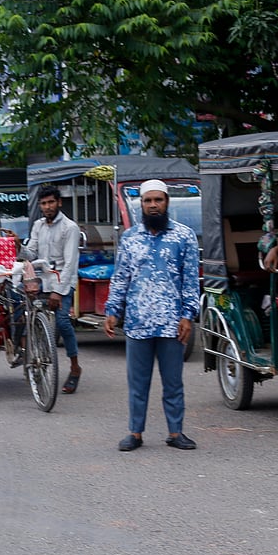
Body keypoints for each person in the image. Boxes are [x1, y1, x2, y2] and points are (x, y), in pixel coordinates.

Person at [103, 179, 201, 451]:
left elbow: (191, 280)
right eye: (148, 201)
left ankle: (175, 432)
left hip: (172, 323)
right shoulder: (130, 238)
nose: (153, 205)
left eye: (158, 200)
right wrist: (112, 311)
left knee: (173, 382)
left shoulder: (184, 236)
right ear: (141, 204)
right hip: (137, 322)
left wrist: (187, 316)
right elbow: (121, 278)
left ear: (167, 202)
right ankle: (135, 433)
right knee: (137, 383)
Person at [16, 185, 82, 392]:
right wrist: (18, 246)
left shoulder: (70, 228)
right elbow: (31, 254)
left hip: (62, 280)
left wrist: (58, 291)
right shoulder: (38, 226)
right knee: (17, 309)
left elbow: (70, 263)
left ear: (59, 203)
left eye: (51, 202)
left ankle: (74, 368)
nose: (47, 207)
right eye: (43, 203)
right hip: (41, 280)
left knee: (62, 322)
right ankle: (27, 353)